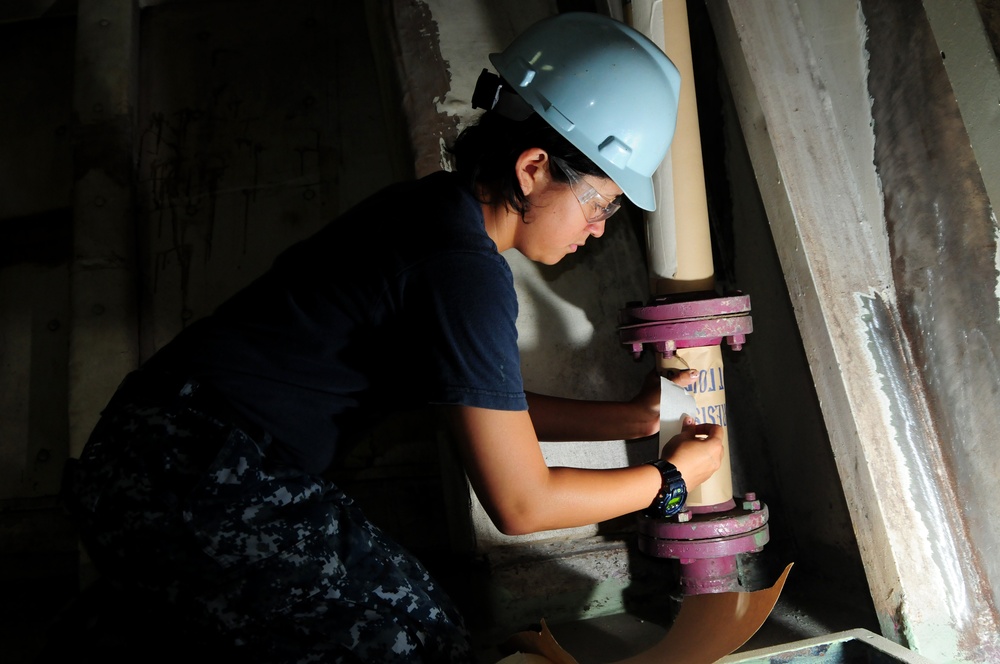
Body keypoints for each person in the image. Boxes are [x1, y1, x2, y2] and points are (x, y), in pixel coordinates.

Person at [63, 11, 724, 664]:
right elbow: (522, 503)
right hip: (197, 476)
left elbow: (487, 413)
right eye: (600, 203)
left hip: (147, 459)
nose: (600, 227)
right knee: (413, 640)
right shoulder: (462, 269)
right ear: (533, 169)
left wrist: (629, 419)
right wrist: (669, 481)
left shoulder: (434, 214)